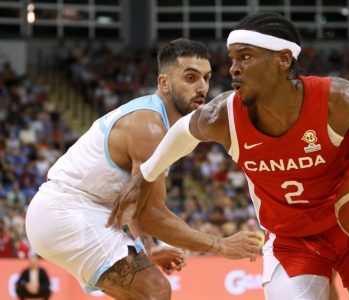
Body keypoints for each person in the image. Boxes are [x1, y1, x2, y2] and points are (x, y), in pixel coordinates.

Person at [108, 12, 349, 300]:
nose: (233, 67)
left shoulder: (337, 99)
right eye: (233, 58)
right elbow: (182, 134)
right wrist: (145, 174)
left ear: (284, 60)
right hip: (290, 238)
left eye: (246, 57)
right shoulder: (224, 116)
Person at [26, 38, 262, 300]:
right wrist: (220, 244)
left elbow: (137, 201)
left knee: (146, 293)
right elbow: (151, 214)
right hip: (66, 210)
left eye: (206, 78)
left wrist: (148, 247)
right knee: (155, 291)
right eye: (190, 77)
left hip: (77, 211)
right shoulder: (149, 126)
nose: (202, 87)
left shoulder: (168, 127)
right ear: (164, 83)